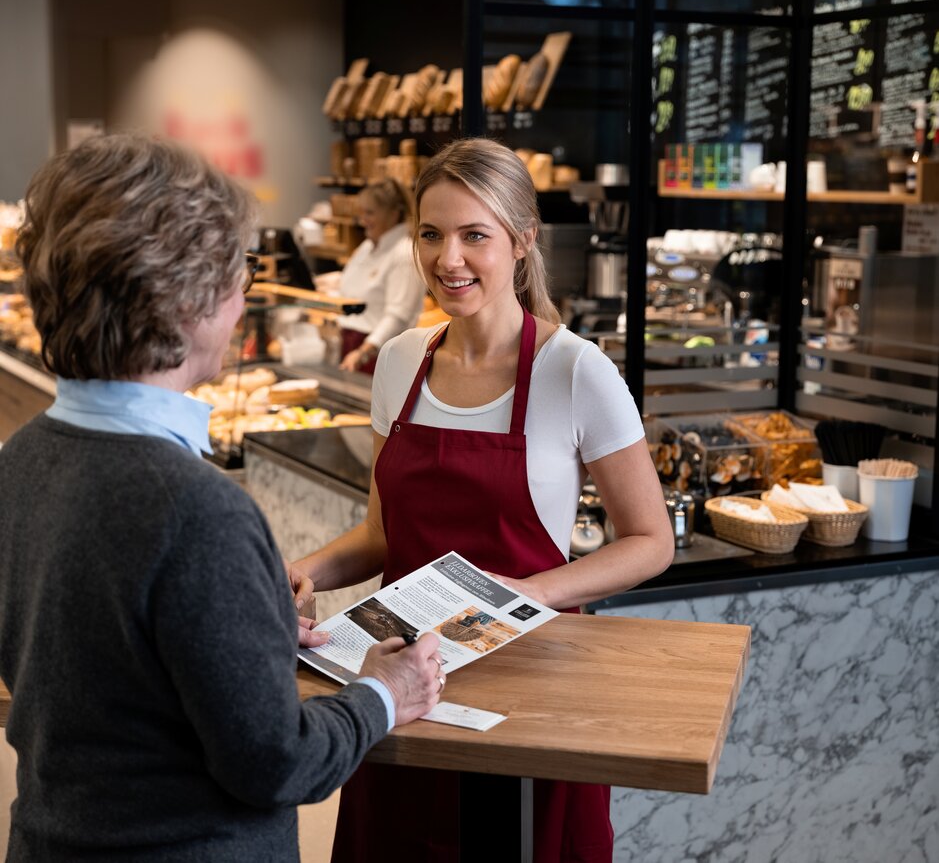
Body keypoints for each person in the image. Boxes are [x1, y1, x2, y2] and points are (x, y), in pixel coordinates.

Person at [0, 133, 444, 862]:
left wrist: (245, 632)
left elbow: (84, 664)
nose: (244, 292)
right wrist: (383, 693)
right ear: (182, 300)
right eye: (234, 269)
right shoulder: (197, 508)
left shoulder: (21, 456)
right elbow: (276, 763)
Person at [289, 138, 675, 863]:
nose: (448, 259)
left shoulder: (575, 371)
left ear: (522, 241)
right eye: (431, 234)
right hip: (403, 677)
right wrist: (303, 570)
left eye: (475, 235)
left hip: (531, 678)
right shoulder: (401, 358)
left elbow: (650, 540)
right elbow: (381, 531)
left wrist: (527, 590)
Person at [336, 178, 426, 374]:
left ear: (394, 214)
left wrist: (363, 352)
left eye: (370, 213)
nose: (362, 220)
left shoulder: (404, 254)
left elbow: (398, 317)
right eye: (361, 213)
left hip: (379, 353)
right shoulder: (366, 247)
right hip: (350, 345)